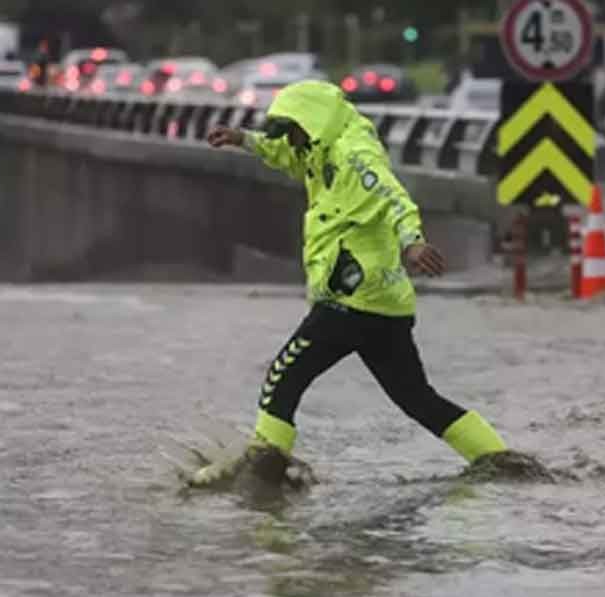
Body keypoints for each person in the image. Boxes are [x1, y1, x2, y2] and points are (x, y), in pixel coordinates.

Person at [198, 80, 509, 487]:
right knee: (416, 398)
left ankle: (262, 472)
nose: (291, 140)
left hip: (351, 297)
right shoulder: (319, 147)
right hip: (383, 306)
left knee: (283, 376)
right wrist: (245, 139)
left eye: (293, 129)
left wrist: (412, 242)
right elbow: (288, 156)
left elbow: (394, 197)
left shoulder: (353, 154)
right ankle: (500, 461)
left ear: (311, 121)